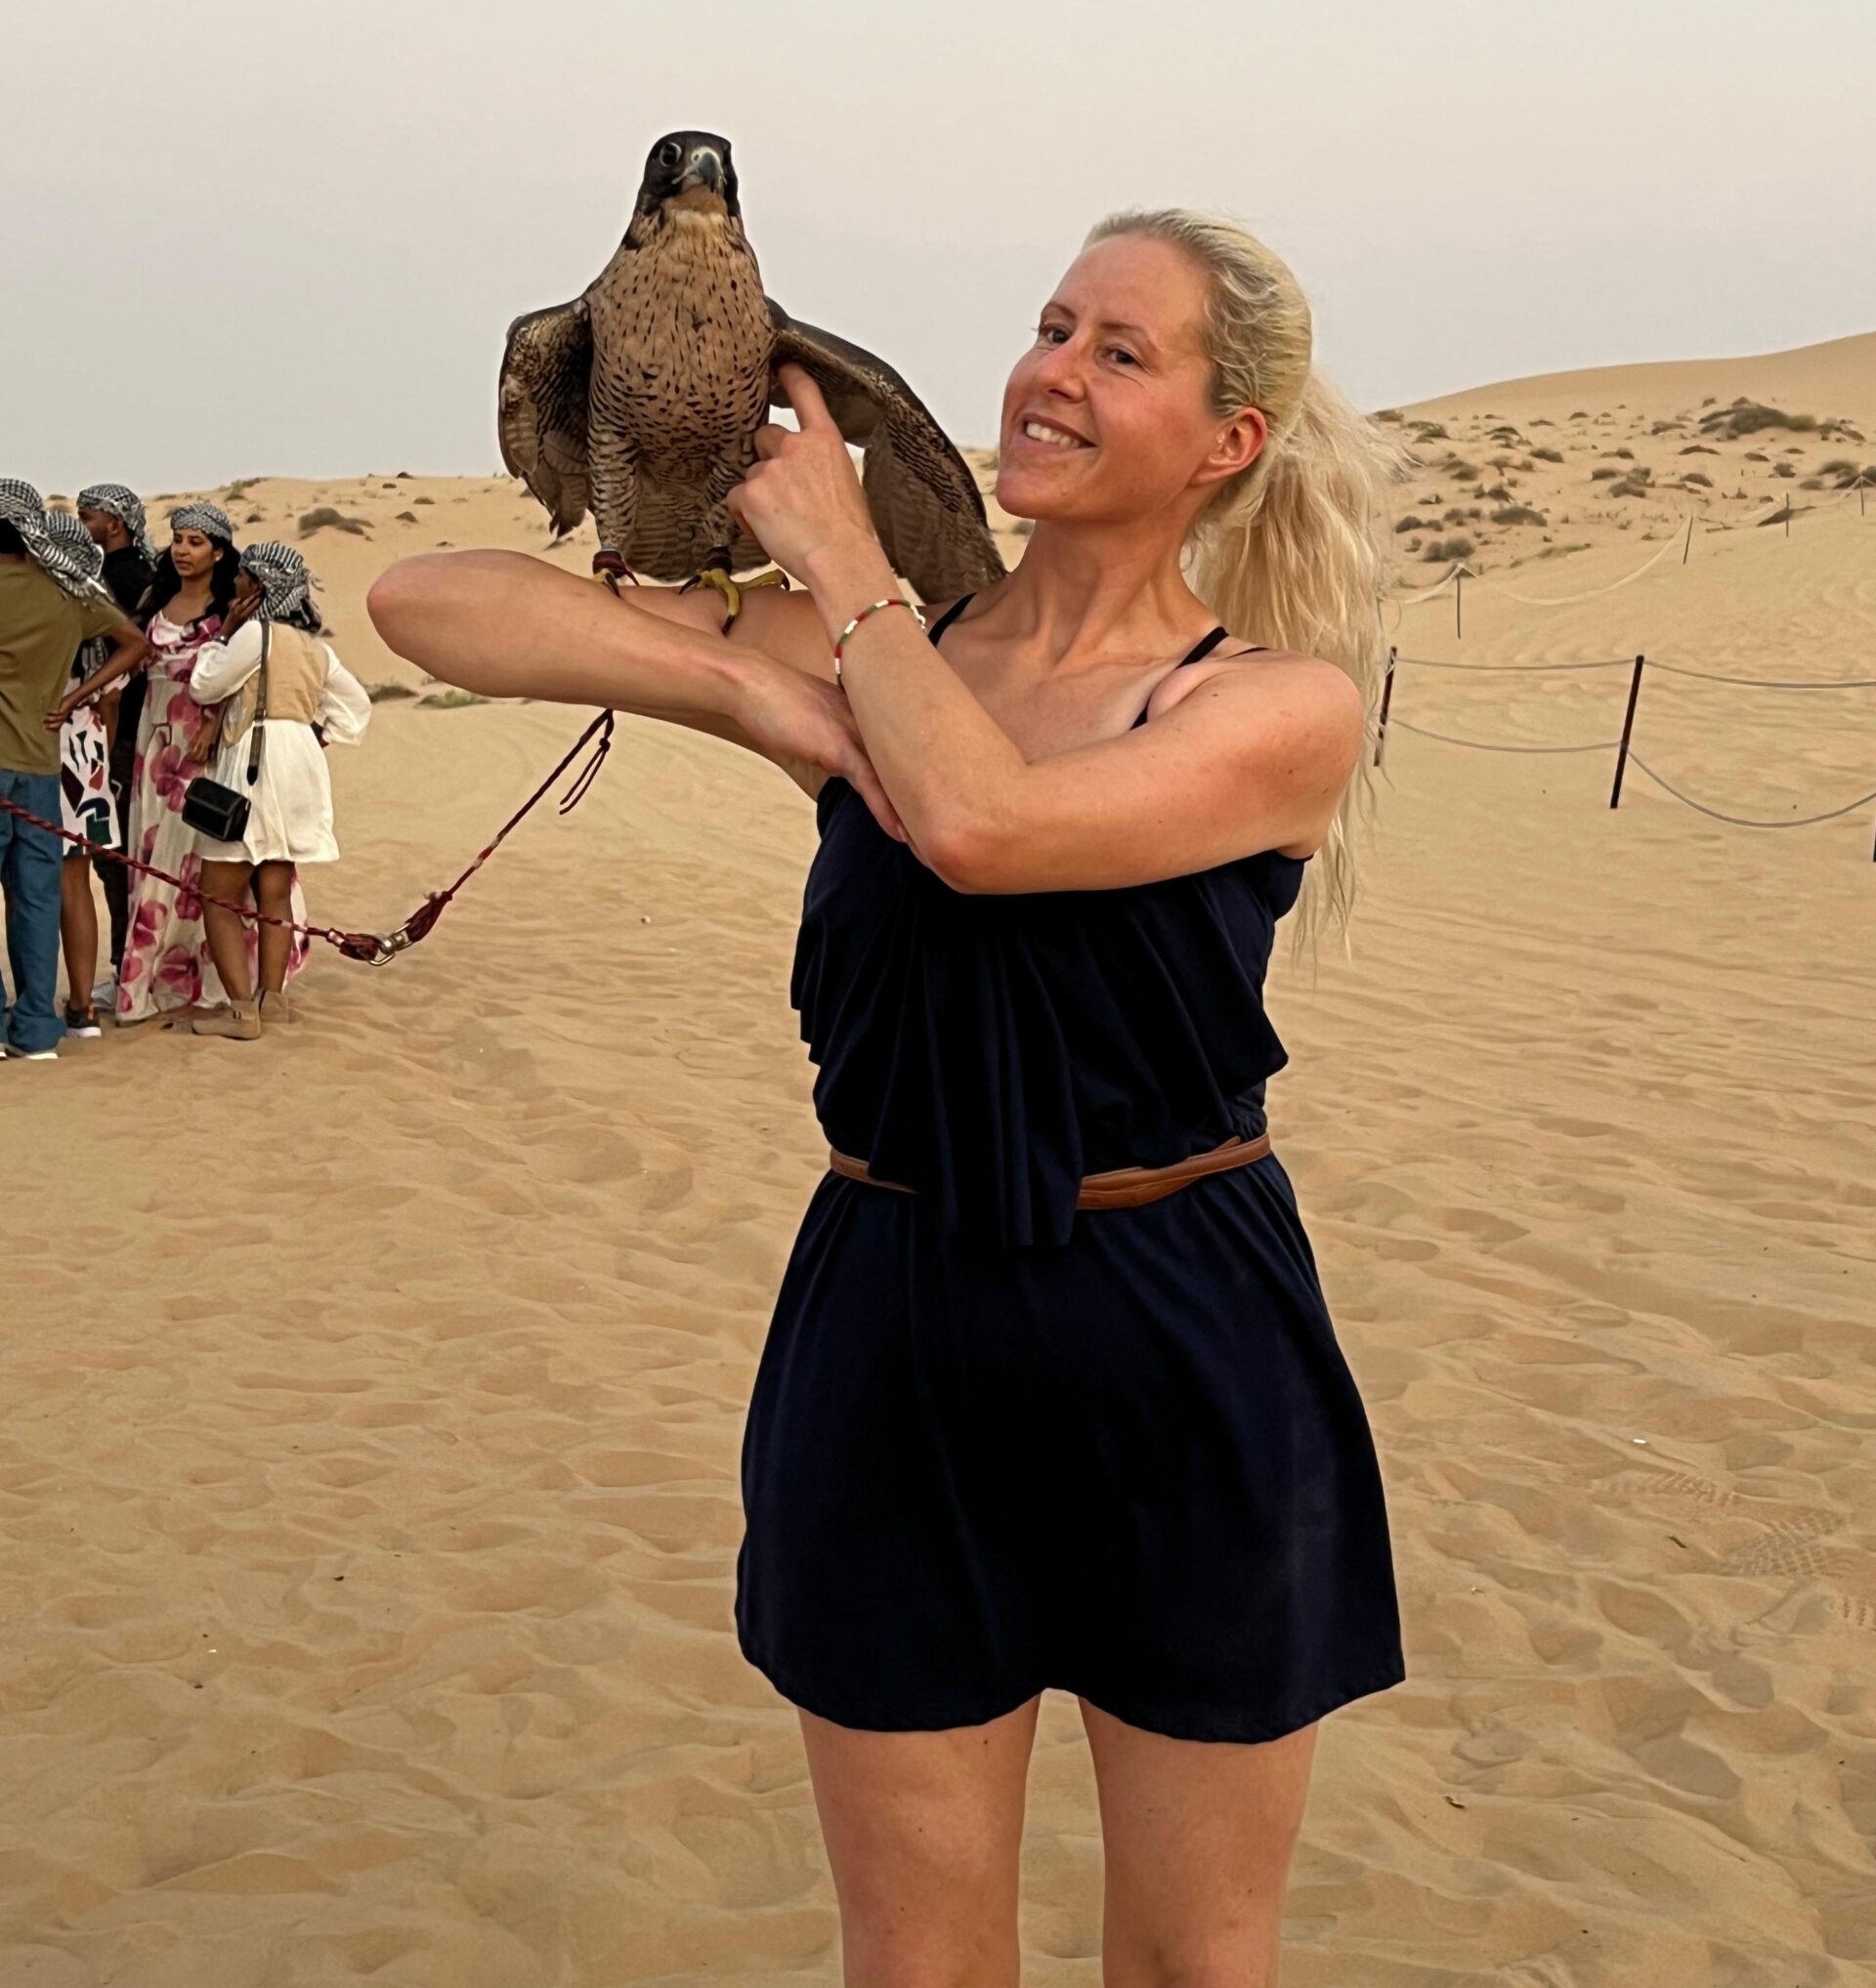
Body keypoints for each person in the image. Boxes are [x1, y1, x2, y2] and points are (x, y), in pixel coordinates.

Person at [367, 209, 1407, 1985]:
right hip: (892, 1322)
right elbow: (428, 605)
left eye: (1119, 350)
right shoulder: (885, 658)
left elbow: (987, 829)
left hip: (1183, 1339)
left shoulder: (1274, 706)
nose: (1051, 371)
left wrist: (849, 589)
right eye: (1050, 324)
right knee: (916, 1965)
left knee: (1195, 1969)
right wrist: (756, 694)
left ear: (1229, 442)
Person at [187, 542, 369, 1039]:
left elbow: (204, 686)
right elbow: (356, 709)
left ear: (259, 586)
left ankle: (241, 1012)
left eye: (243, 576)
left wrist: (220, 635)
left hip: (254, 765)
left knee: (219, 895)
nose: (236, 584)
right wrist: (315, 738)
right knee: (274, 889)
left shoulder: (253, 636)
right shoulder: (317, 647)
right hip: (300, 769)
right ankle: (274, 1001)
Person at [0, 483, 148, 1060]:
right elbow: (134, 643)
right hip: (40, 763)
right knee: (37, 897)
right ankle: (37, 1031)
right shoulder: (66, 592)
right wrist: (74, 699)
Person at [114, 500, 251, 1027]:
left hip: (202, 747)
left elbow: (243, 679)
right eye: (178, 540)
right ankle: (148, 976)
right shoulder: (156, 600)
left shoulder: (230, 611)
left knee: (198, 860)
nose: (184, 550)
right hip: (156, 743)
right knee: (153, 854)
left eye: (196, 542)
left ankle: (205, 978)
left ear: (218, 551)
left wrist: (215, 726)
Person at [40, 511, 130, 1039]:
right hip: (88, 750)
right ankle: (83, 1007)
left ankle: (35, 1001)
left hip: (41, 740)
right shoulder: (97, 606)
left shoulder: (44, 605)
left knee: (25, 877)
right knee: (76, 880)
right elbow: (114, 697)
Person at [75, 483, 159, 983]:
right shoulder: (143, 573)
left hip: (118, 730)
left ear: (116, 522)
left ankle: (125, 965)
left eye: (90, 517)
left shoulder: (118, 577)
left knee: (115, 858)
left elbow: (134, 651)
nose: (85, 525)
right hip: (134, 727)